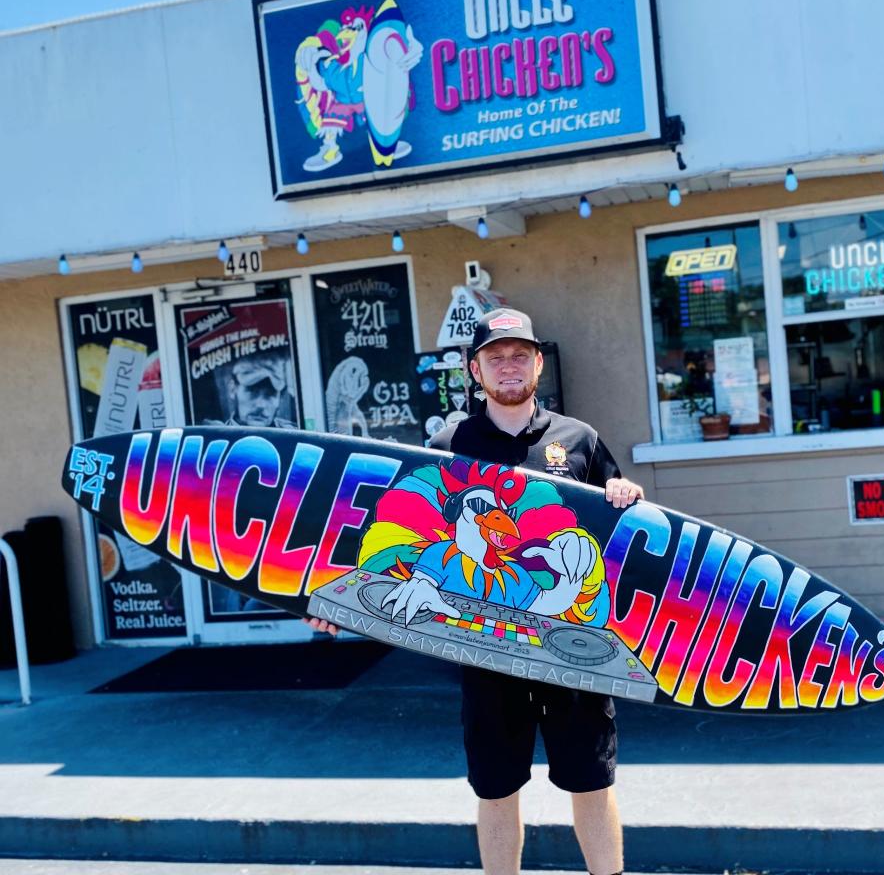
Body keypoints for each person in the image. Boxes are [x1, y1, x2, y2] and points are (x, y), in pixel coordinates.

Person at [308, 307, 643, 875]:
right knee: (495, 788)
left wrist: (625, 493)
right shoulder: (446, 444)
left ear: (537, 362)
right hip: (484, 646)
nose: (508, 366)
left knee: (591, 781)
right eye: (495, 357)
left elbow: (619, 533)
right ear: (474, 369)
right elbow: (397, 531)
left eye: (519, 355)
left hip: (573, 645)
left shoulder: (579, 440)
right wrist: (338, 600)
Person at [220, 355, 297, 428]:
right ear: (232, 389)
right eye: (252, 391)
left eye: (271, 394)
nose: (261, 405)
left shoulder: (294, 433)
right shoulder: (215, 435)